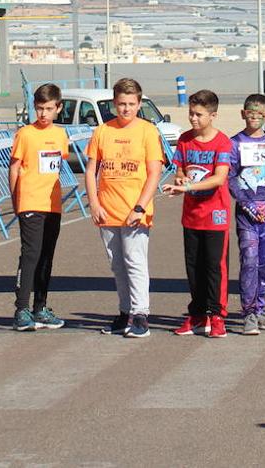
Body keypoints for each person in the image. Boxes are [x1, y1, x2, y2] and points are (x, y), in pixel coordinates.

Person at [84, 77, 164, 339]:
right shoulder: (103, 131)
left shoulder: (147, 131)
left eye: (131, 104)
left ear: (139, 104)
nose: (126, 109)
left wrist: (140, 207)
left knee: (135, 261)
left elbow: (154, 172)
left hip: (135, 210)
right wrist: (94, 202)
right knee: (117, 264)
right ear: (113, 104)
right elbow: (91, 169)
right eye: (121, 104)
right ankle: (124, 311)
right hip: (107, 210)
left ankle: (141, 314)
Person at [160, 89, 234, 338]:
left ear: (212, 115)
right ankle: (198, 314)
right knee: (194, 267)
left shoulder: (223, 142)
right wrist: (180, 181)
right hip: (191, 216)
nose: (193, 118)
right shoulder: (184, 140)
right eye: (191, 113)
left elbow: (219, 178)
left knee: (215, 267)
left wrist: (189, 186)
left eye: (199, 114)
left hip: (215, 216)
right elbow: (179, 170)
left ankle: (217, 315)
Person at [8, 84, 69, 332]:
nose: (43, 114)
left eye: (48, 109)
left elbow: (56, 166)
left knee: (46, 256)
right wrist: (16, 199)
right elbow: (14, 167)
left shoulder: (60, 135)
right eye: (39, 108)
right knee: (31, 254)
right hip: (30, 201)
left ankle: (40, 307)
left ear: (58, 108)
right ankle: (21, 309)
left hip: (52, 203)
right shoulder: (25, 134)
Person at [229, 94, 265, 335]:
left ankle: (261, 307)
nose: (254, 117)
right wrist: (246, 203)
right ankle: (249, 312)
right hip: (246, 214)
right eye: (250, 113)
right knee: (249, 260)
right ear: (243, 114)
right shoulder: (234, 143)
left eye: (259, 114)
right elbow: (230, 176)